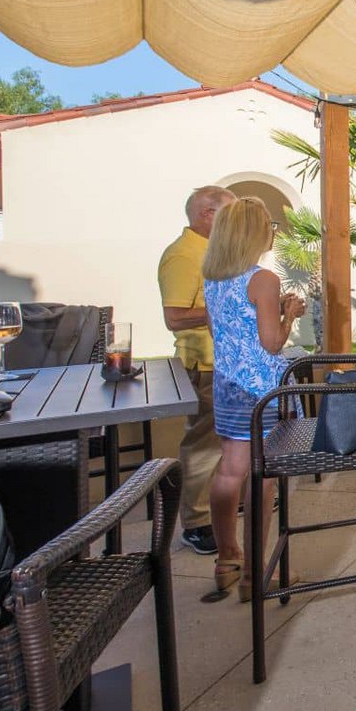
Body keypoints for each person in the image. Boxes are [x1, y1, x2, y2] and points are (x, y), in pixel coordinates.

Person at [202, 197, 305, 601]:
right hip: (262, 391)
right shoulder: (263, 280)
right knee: (262, 478)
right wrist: (289, 313)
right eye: (269, 225)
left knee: (230, 471)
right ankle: (255, 574)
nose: (272, 232)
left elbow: (221, 333)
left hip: (227, 385)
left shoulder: (213, 279)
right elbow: (272, 343)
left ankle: (227, 558)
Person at [158, 185, 236, 555]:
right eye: (229, 213)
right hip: (202, 364)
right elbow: (174, 317)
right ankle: (196, 523)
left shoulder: (210, 252)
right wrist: (227, 308)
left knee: (223, 441)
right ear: (207, 214)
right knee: (203, 444)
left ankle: (220, 505)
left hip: (224, 361)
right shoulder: (182, 255)